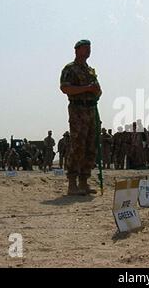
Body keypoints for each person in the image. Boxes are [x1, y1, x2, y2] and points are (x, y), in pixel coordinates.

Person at [60, 39, 102, 195]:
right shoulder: (70, 69)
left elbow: (98, 91)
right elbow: (65, 88)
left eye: (90, 48)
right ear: (77, 50)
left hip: (91, 109)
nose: (89, 51)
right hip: (78, 109)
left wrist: (96, 91)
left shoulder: (90, 71)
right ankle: (72, 183)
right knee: (77, 145)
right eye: (86, 48)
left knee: (90, 146)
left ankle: (84, 182)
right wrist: (87, 88)